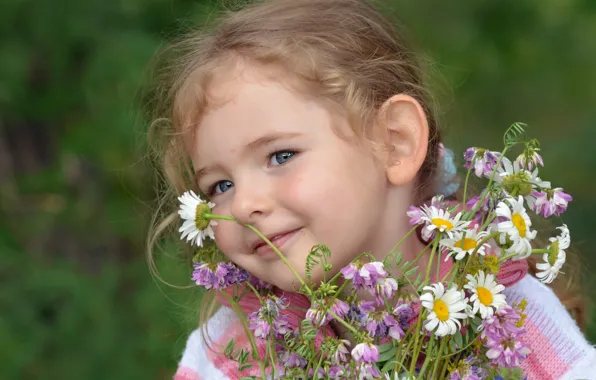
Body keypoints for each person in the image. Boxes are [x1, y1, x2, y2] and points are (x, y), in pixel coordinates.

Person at [146, 0, 596, 378]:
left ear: (394, 143)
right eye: (219, 185)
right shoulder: (238, 343)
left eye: (280, 156)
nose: (243, 205)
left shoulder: (507, 322)